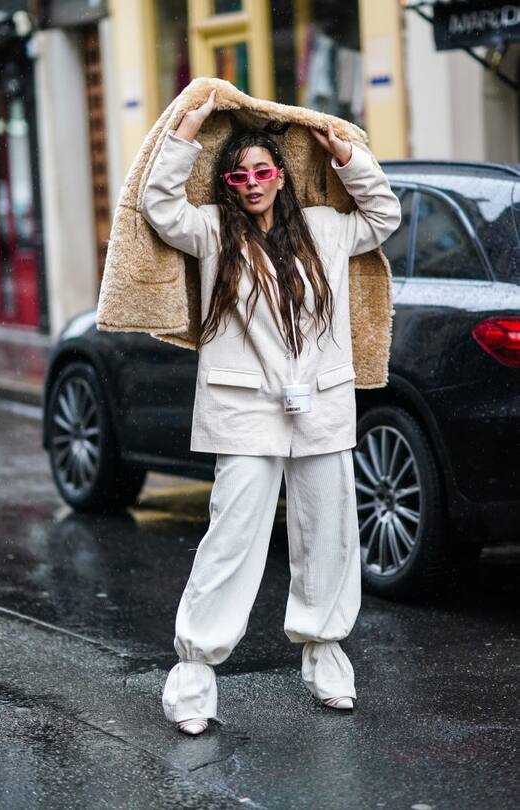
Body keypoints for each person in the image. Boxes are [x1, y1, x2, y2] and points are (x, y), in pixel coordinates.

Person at [141, 88, 402, 735]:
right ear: (229, 185)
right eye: (240, 175)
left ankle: (325, 657)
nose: (253, 183)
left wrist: (347, 156)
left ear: (281, 175)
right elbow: (159, 207)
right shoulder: (213, 231)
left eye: (263, 171)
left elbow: (384, 215)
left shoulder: (325, 228)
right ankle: (193, 679)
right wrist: (186, 132)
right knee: (231, 541)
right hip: (243, 411)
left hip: (323, 405)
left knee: (330, 537)